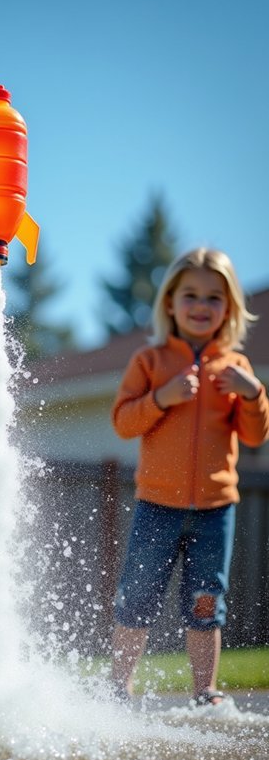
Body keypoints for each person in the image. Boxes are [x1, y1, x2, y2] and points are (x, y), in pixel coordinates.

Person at [110, 248, 269, 706]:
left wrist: (253, 393)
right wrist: (164, 396)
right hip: (156, 505)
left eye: (214, 297)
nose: (202, 305)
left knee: (205, 604)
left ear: (230, 308)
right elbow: (124, 423)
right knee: (136, 598)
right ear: (170, 304)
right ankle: (120, 688)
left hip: (215, 511)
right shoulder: (150, 361)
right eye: (191, 295)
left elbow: (256, 437)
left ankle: (206, 693)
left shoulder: (237, 369)